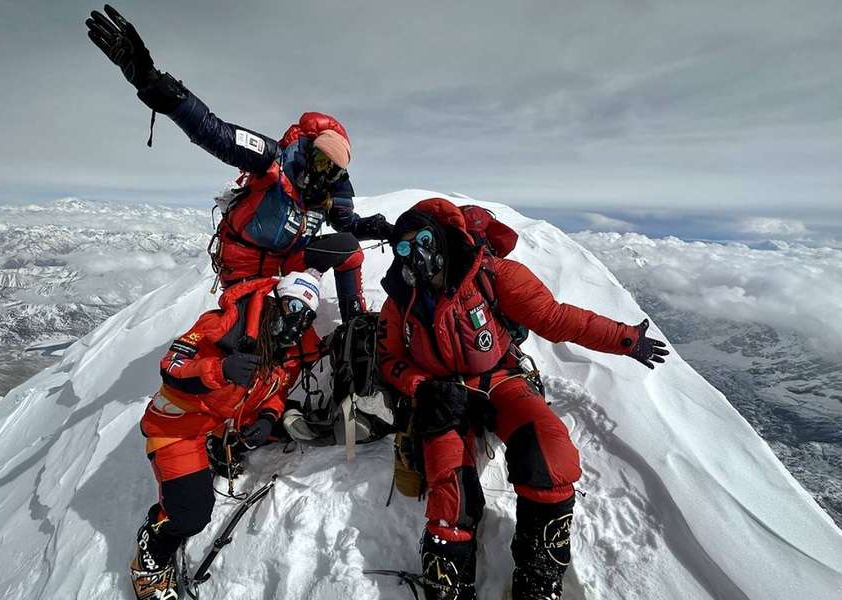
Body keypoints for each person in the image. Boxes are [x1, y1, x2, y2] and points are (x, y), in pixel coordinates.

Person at [376, 199, 669, 600]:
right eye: (405, 247)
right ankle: (449, 587)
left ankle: (538, 580)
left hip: (502, 381)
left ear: (443, 237)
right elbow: (388, 359)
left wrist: (625, 339)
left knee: (550, 457)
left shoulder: (493, 276)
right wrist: (420, 386)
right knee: (449, 495)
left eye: (424, 239)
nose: (417, 253)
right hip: (443, 394)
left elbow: (557, 318)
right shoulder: (400, 301)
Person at [85, 5, 392, 321]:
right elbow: (213, 131)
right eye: (320, 158)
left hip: (289, 263)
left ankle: (356, 324)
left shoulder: (331, 190)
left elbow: (348, 226)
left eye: (334, 167)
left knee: (348, 251)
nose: (324, 170)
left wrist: (385, 229)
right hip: (245, 266)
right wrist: (155, 84)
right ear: (308, 148)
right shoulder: (273, 158)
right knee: (256, 336)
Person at [131, 271, 324, 600]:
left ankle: (219, 449)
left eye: (306, 315)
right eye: (292, 306)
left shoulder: (278, 350)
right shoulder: (222, 325)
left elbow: (275, 391)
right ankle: (150, 558)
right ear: (275, 301)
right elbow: (172, 366)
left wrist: (266, 419)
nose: (297, 320)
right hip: (175, 427)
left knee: (285, 428)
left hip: (217, 422)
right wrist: (218, 370)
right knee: (192, 515)